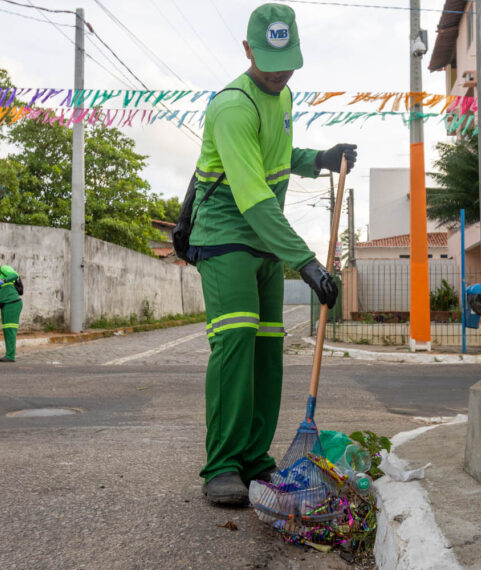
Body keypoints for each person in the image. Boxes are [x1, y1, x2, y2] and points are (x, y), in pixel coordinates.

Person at [190, 3, 357, 505]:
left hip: (265, 240)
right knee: (237, 341)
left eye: (287, 61)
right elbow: (253, 196)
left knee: (268, 349)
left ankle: (254, 458)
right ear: (247, 51)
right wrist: (305, 262)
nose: (279, 71)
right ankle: (222, 465)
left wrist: (318, 160)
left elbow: (276, 159)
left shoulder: (283, 95)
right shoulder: (232, 106)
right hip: (226, 236)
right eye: (267, 60)